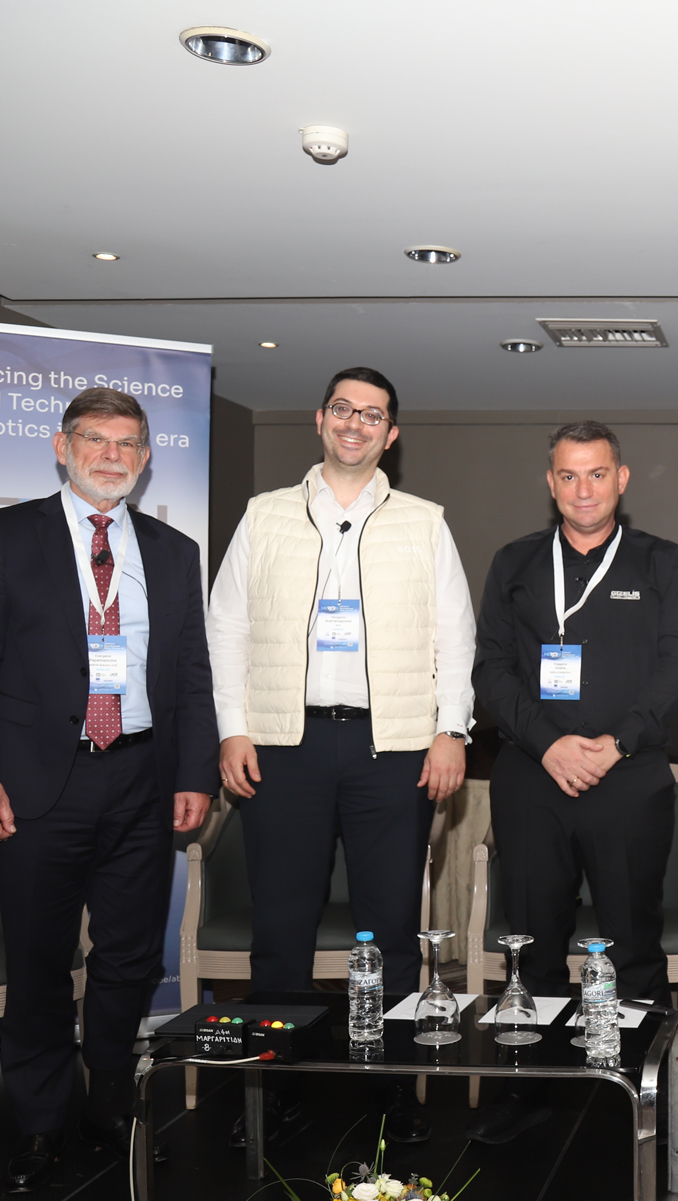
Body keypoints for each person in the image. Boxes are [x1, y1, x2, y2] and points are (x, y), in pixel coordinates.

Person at [0, 387, 218, 1193]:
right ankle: (38, 1121)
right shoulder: (6, 536)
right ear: (62, 447)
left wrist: (194, 773)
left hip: (141, 777)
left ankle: (108, 1108)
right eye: (94, 439)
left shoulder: (173, 551)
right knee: (38, 959)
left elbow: (191, 675)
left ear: (146, 458)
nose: (110, 455)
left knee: (129, 959)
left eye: (126, 443)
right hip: (38, 781)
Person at [209, 366, 475, 1145]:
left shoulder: (424, 522)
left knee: (390, 931)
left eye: (373, 414)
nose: (355, 423)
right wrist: (231, 727)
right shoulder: (264, 514)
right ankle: (273, 1088)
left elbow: (455, 635)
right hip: (281, 744)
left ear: (392, 434)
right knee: (279, 932)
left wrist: (452, 729)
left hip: (391, 747)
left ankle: (394, 1087)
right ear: (319, 419)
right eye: (343, 409)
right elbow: (226, 626)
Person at [468, 421, 678, 1144]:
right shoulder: (515, 562)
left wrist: (617, 742)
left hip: (628, 776)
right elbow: (491, 670)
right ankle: (526, 1090)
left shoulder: (661, 561)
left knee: (633, 945)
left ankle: (643, 1091)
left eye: (597, 473)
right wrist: (549, 744)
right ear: (551, 483)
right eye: (568, 475)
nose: (583, 489)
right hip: (532, 777)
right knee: (531, 944)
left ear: (621, 479)